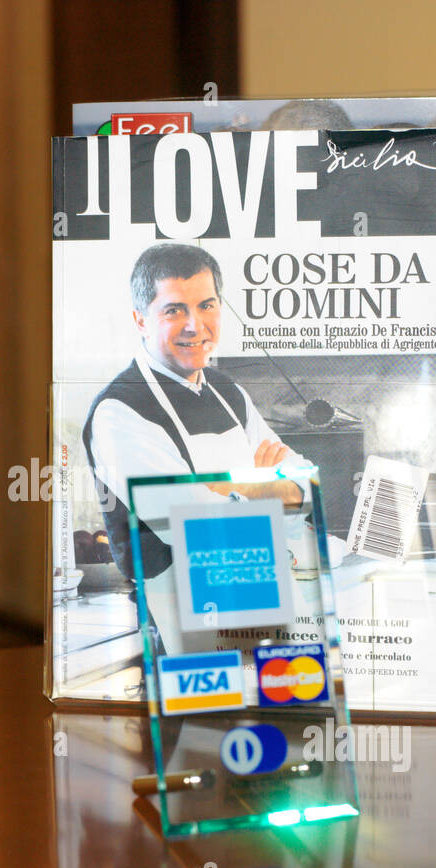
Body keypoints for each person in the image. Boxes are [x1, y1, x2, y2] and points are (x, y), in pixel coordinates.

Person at [82, 242, 307, 653]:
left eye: (206, 305)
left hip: (258, 608)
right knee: (202, 721)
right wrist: (264, 487)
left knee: (276, 714)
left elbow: (304, 488)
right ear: (140, 319)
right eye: (174, 311)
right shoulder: (119, 411)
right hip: (178, 632)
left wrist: (232, 494)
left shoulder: (228, 391)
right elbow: (193, 528)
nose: (194, 325)